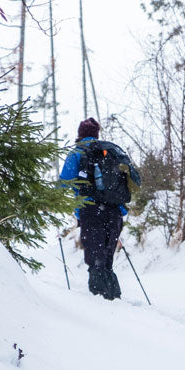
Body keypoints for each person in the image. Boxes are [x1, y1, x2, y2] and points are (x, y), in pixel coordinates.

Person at [60, 118, 140, 300]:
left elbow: (63, 183)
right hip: (114, 212)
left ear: (79, 134)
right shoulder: (110, 152)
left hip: (91, 211)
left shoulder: (77, 153)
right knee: (106, 261)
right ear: (96, 134)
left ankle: (101, 306)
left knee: (95, 261)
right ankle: (113, 300)